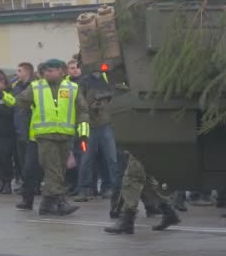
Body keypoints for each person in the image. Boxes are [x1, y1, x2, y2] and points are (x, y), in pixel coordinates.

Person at [16, 58, 90, 216]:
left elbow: (82, 111)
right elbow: (21, 101)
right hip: (45, 135)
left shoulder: (72, 87)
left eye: (50, 70)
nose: (47, 73)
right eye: (45, 71)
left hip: (65, 135)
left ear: (61, 71)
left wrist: (83, 132)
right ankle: (60, 202)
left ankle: (47, 204)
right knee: (53, 169)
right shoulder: (36, 86)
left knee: (60, 169)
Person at [104, 152, 181, 234]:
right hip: (149, 144)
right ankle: (169, 212)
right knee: (145, 179)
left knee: (133, 177)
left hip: (144, 144)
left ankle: (127, 218)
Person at [74, 71, 120, 202]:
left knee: (110, 159)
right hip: (91, 126)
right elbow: (79, 104)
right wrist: (91, 107)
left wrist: (107, 103)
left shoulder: (109, 78)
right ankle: (84, 189)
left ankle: (111, 188)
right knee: (87, 160)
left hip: (106, 124)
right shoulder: (84, 82)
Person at [12, 62, 35, 193]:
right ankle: (25, 184)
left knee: (30, 161)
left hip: (30, 126)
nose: (17, 73)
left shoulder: (33, 86)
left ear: (27, 72)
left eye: (20, 71)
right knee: (21, 159)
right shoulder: (16, 86)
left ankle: (32, 186)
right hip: (19, 126)